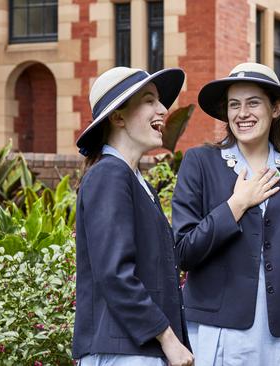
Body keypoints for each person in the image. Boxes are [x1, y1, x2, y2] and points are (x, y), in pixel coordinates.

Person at [171, 62, 280, 366]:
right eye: (234, 105)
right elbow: (183, 251)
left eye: (253, 103)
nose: (242, 113)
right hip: (218, 335)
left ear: (275, 109)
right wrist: (237, 204)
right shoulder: (200, 164)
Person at [72, 66, 194, 366]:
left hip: (136, 350)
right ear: (118, 117)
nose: (163, 109)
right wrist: (168, 338)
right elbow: (115, 274)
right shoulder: (110, 175)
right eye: (149, 100)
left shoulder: (134, 180)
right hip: (124, 352)